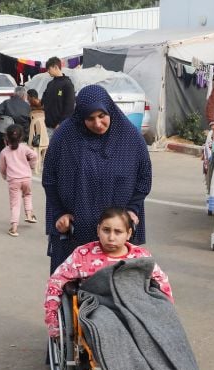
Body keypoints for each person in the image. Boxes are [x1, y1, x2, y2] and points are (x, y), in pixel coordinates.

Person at [43, 207, 174, 370]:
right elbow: (55, 283)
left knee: (159, 337)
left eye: (118, 232)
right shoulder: (82, 255)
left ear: (129, 234)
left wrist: (165, 315)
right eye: (106, 230)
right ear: (98, 230)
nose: (111, 237)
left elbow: (162, 285)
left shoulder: (140, 257)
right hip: (99, 310)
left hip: (134, 308)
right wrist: (53, 323)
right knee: (109, 340)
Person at [42, 85, 151, 273]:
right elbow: (50, 178)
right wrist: (59, 212)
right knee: (71, 285)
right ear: (80, 116)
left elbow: (144, 177)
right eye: (90, 118)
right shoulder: (64, 137)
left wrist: (133, 209)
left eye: (102, 116)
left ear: (110, 110)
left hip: (115, 235)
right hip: (74, 232)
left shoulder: (130, 138)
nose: (98, 123)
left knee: (116, 285)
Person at [0, 124, 38, 237]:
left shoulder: (4, 152)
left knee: (15, 204)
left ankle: (14, 227)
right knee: (27, 195)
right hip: (26, 178)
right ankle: (29, 215)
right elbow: (34, 155)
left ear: (7, 137)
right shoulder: (24, 148)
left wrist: (5, 176)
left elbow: (2, 167)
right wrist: (31, 166)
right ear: (21, 137)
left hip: (13, 180)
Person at [41, 57, 75, 137]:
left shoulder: (67, 84)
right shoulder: (50, 84)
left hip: (61, 127)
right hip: (48, 126)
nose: (48, 71)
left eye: (49, 69)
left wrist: (60, 124)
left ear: (56, 67)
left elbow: (69, 108)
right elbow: (44, 100)